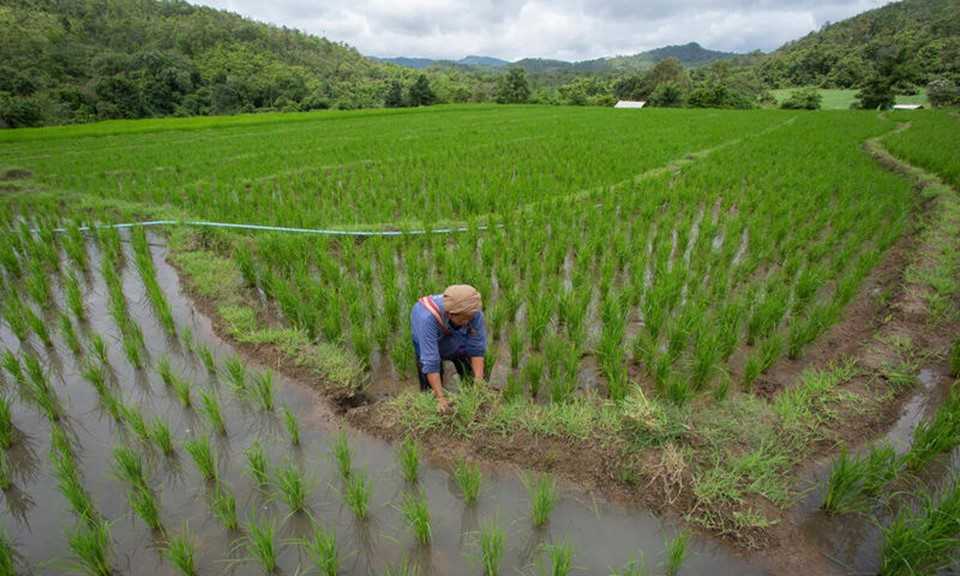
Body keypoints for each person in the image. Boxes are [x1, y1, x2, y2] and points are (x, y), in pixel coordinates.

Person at [410, 284, 487, 413]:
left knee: (470, 375)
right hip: (430, 335)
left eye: (471, 318)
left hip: (457, 338)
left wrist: (478, 382)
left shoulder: (473, 311)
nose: (469, 322)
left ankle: (469, 396)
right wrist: (440, 398)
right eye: (464, 319)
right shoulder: (427, 319)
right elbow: (430, 361)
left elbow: (477, 348)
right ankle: (432, 400)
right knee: (430, 387)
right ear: (451, 314)